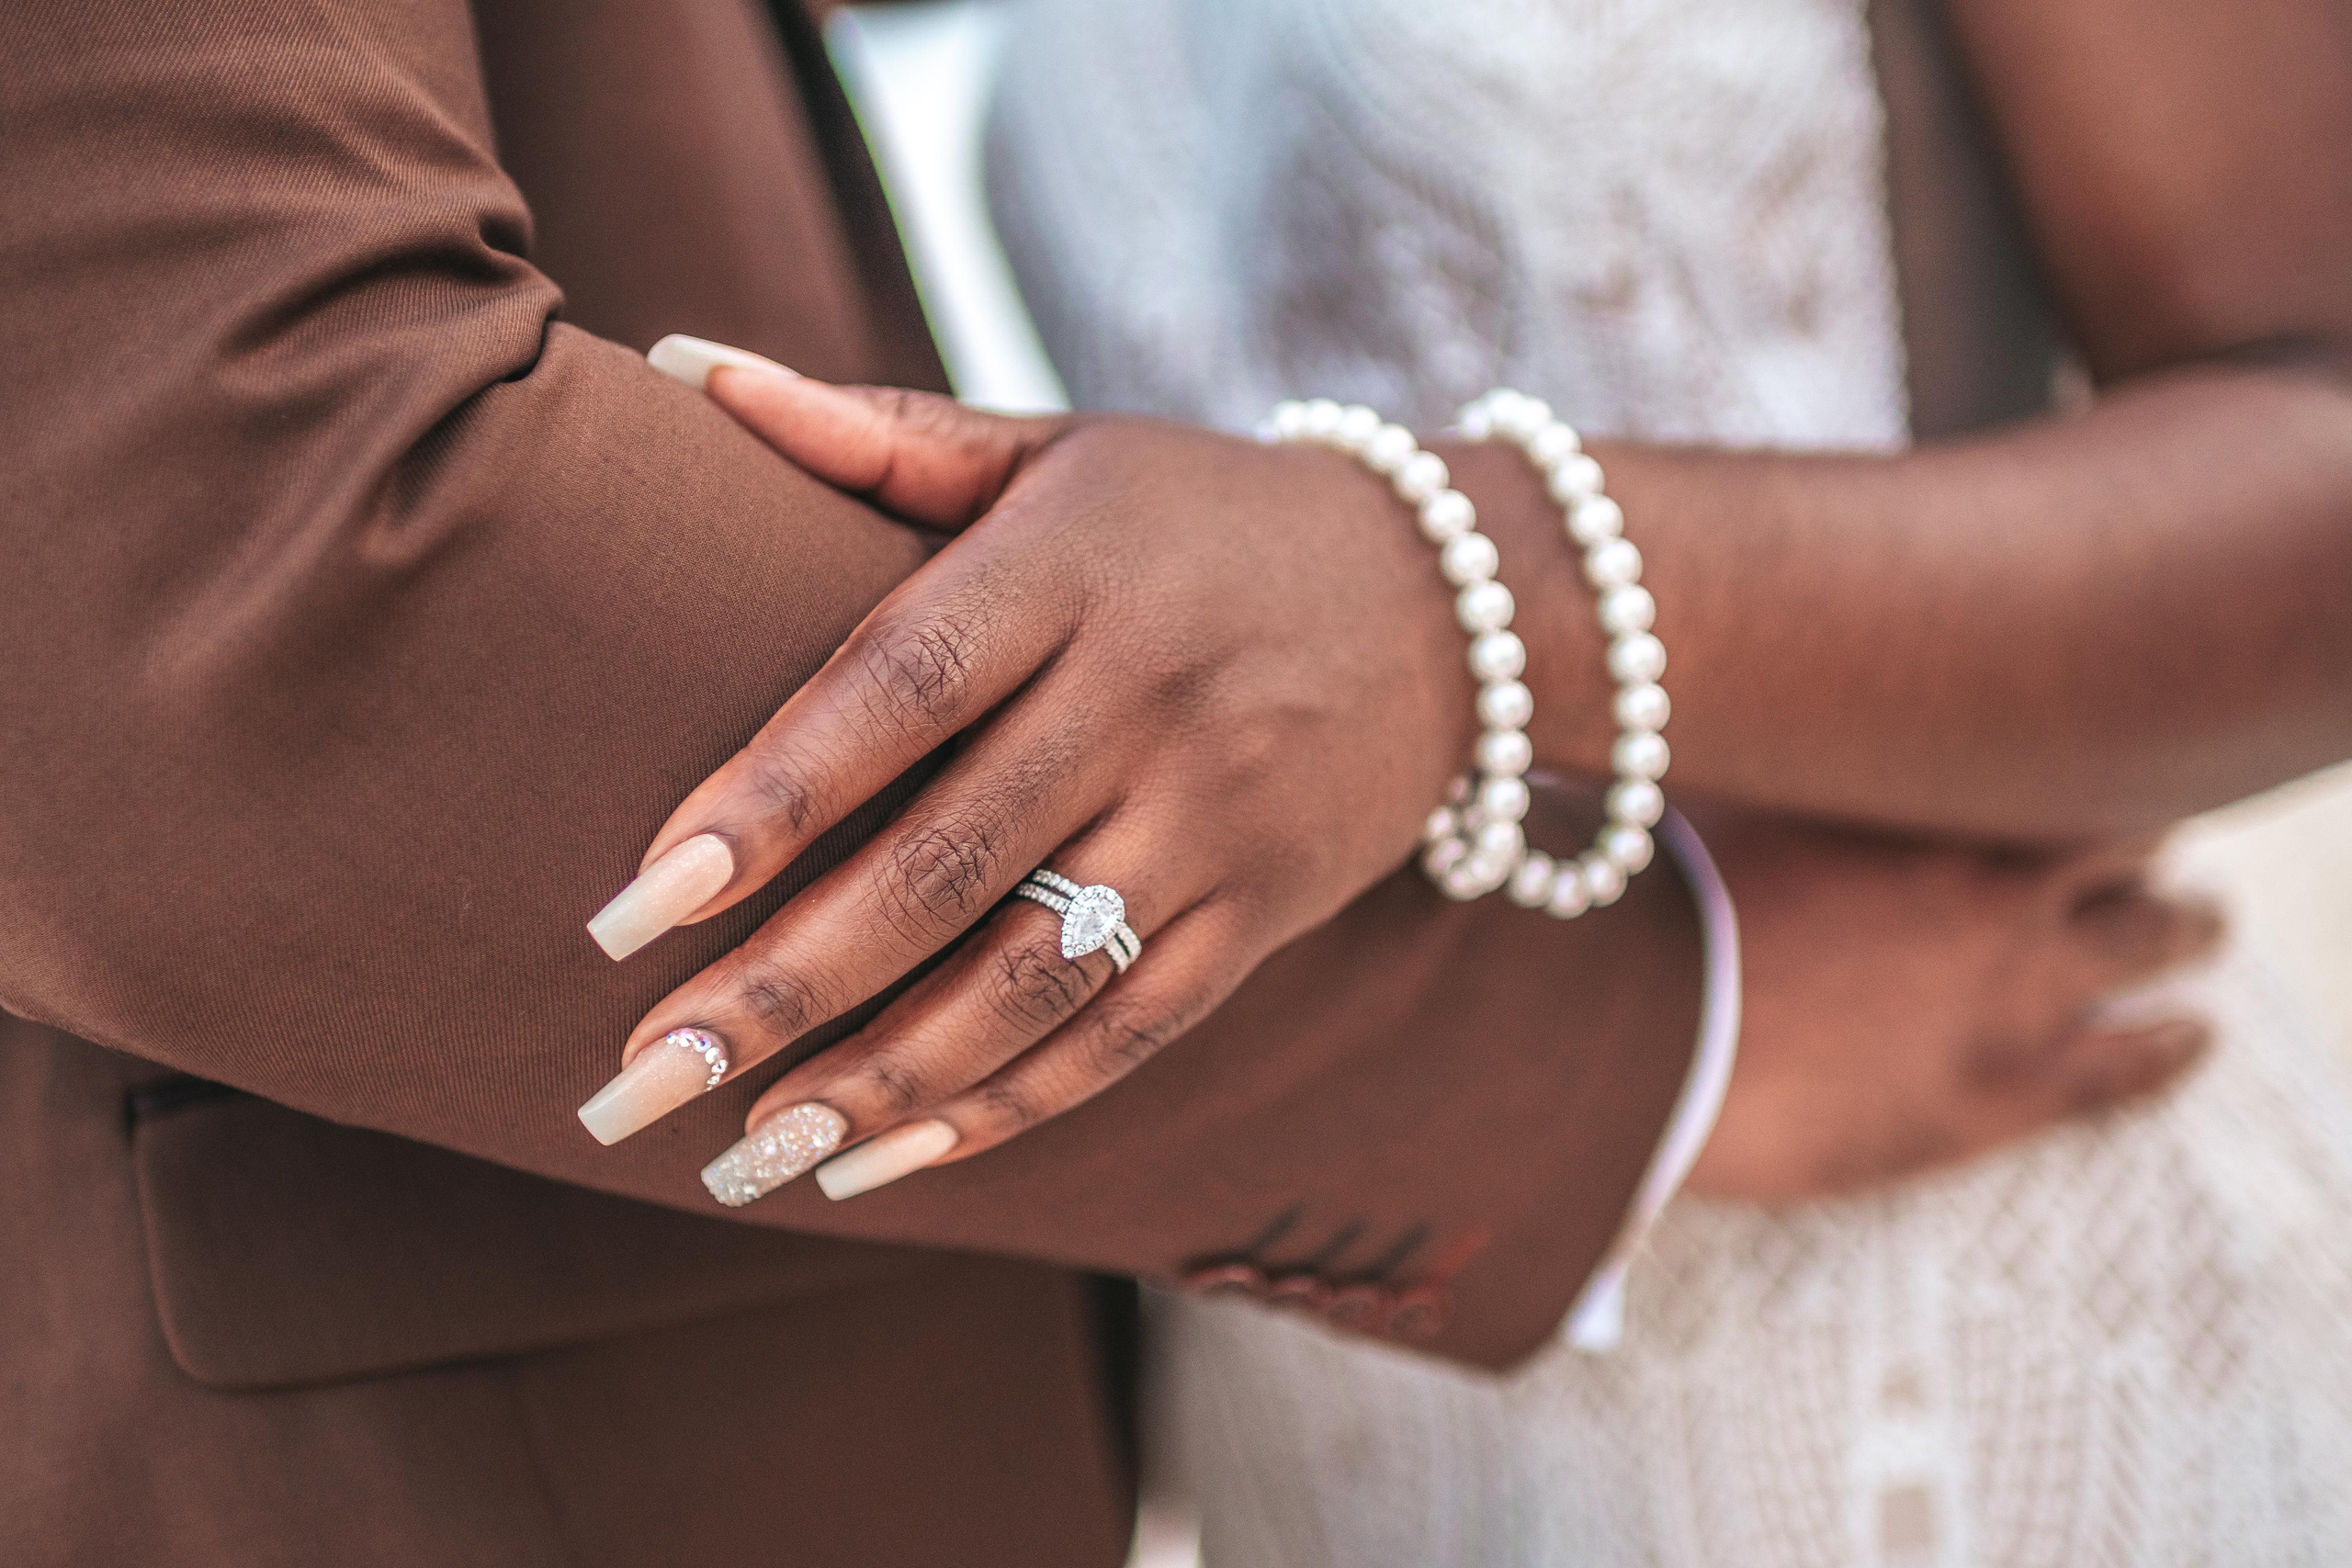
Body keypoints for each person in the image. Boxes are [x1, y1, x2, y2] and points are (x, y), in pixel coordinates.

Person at [0, 2, 2243, 1566]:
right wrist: (1633, 1032)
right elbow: (221, 560)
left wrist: (1451, 592)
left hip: (1972, 1139)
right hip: (1371, 1282)